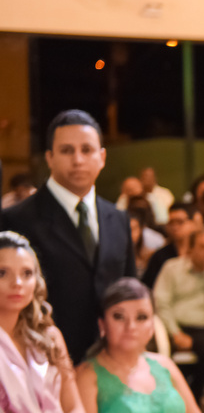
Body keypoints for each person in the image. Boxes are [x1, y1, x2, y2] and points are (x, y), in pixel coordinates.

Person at [1, 110, 137, 364]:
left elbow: (130, 291)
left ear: (102, 156)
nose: (78, 159)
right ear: (49, 158)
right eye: (66, 150)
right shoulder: (15, 220)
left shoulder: (118, 219)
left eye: (87, 150)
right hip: (42, 360)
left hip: (111, 360)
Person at [76, 278, 204, 413]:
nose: (131, 326)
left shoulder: (164, 365)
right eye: (119, 316)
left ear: (152, 326)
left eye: (141, 317)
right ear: (102, 325)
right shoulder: (87, 375)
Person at [0, 232, 84, 413]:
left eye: (27, 273)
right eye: (2, 273)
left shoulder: (51, 337)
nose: (18, 283)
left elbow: (74, 407)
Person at [154, 227, 204, 403]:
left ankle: (192, 396)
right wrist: (175, 333)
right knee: (162, 358)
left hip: (203, 328)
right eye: (203, 247)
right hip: (173, 325)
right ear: (191, 248)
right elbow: (162, 302)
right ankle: (172, 399)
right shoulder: (172, 267)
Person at [142, 203, 198, 289]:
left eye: (180, 222)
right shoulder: (159, 256)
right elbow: (149, 286)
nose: (175, 227)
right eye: (171, 222)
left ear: (192, 224)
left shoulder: (199, 251)